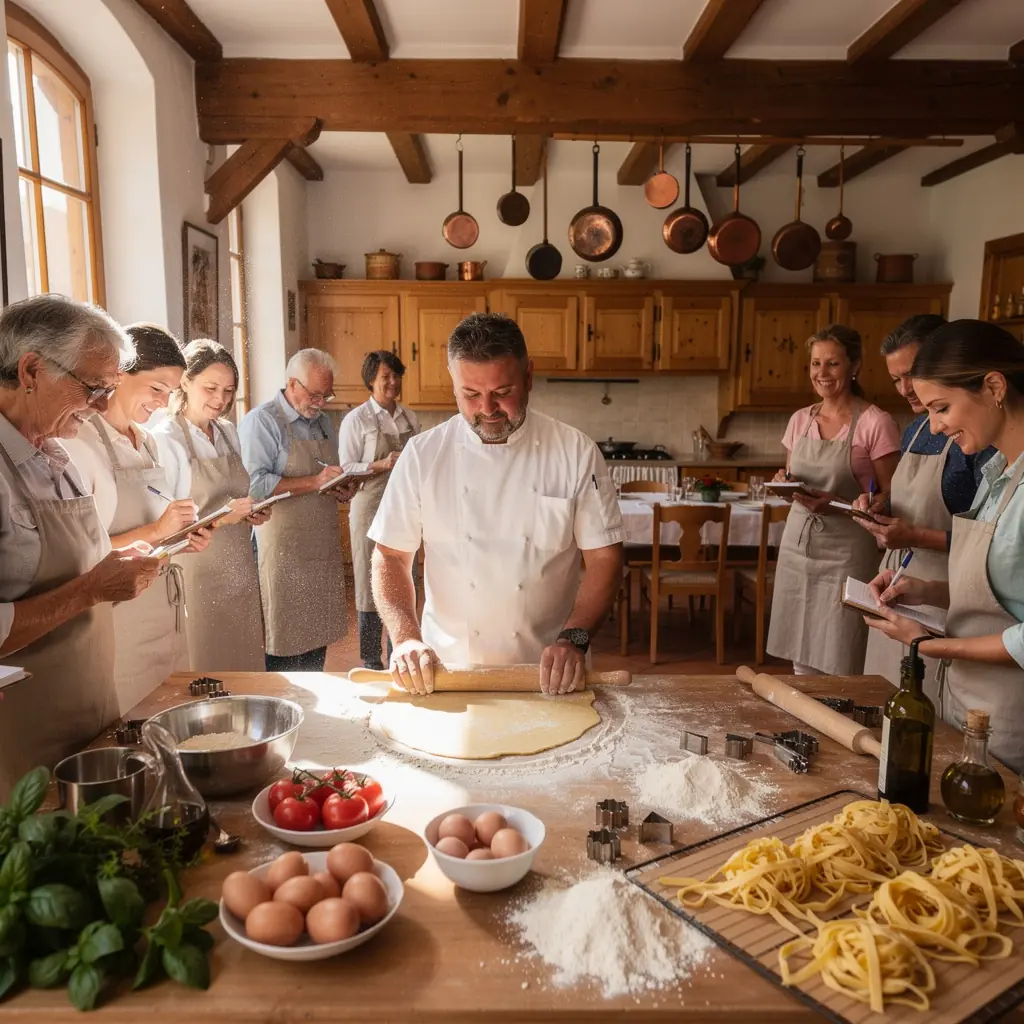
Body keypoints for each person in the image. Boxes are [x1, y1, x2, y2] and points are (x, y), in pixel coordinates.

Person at [368, 312, 624, 696]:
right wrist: (405, 638)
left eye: (502, 392)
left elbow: (605, 558)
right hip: (446, 672)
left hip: (551, 672)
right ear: (453, 383)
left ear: (529, 377)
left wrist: (575, 638)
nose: (487, 409)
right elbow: (389, 555)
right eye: (470, 395)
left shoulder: (574, 452)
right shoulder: (424, 455)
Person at [0, 295, 160, 796]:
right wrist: (92, 589)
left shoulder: (59, 456)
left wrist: (114, 567)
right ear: (30, 371)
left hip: (89, 715)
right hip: (20, 742)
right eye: (93, 389)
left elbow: (83, 568)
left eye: (108, 391)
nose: (99, 410)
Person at [866, 320, 1024, 773]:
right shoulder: (998, 474)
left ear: (994, 386)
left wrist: (929, 647)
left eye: (941, 408)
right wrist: (925, 591)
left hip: (1011, 717)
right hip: (968, 704)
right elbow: (1003, 594)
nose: (933, 427)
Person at [65, 323, 211, 715]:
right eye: (156, 389)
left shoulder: (147, 442)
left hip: (164, 608)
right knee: (132, 728)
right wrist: (157, 530)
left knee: (174, 718)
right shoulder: (80, 444)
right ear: (119, 375)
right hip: (120, 624)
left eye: (171, 393)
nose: (163, 403)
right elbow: (80, 560)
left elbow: (157, 534)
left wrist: (181, 537)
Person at [855, 315, 995, 696]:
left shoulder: (978, 438)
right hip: (900, 581)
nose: (905, 389)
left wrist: (915, 535)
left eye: (911, 374)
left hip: (945, 589)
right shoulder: (918, 428)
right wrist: (880, 505)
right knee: (884, 697)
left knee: (926, 703)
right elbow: (906, 493)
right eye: (896, 379)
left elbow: (988, 544)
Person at [766, 325, 901, 676]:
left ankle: (842, 724)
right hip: (798, 545)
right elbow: (792, 475)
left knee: (842, 643)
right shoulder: (801, 420)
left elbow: (892, 495)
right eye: (815, 364)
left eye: (832, 364)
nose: (821, 374)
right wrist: (784, 482)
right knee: (800, 643)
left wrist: (842, 502)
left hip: (847, 549)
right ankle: (807, 719)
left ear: (854, 366)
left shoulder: (876, 422)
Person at [151, 339, 270, 671]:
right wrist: (226, 517)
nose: (221, 399)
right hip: (198, 577)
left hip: (240, 570)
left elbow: (233, 495)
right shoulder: (166, 439)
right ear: (185, 382)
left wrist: (251, 512)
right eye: (211, 388)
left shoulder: (229, 431)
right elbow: (166, 532)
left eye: (229, 390)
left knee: (244, 665)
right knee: (206, 667)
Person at [238, 348, 359, 672]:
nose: (321, 403)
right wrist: (314, 481)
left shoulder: (322, 423)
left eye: (326, 395)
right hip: (282, 548)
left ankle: (313, 709)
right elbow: (256, 484)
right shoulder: (262, 421)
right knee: (285, 640)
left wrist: (341, 487)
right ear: (292, 384)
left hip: (319, 545)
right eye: (315, 395)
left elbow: (327, 472)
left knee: (317, 636)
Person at [338, 350, 420, 670]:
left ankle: (399, 648)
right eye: (386, 376)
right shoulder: (356, 420)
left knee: (405, 578)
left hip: (404, 507)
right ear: (370, 380)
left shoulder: (410, 418)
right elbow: (346, 468)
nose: (392, 382)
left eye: (396, 376)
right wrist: (382, 464)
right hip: (368, 506)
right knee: (368, 582)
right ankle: (372, 659)